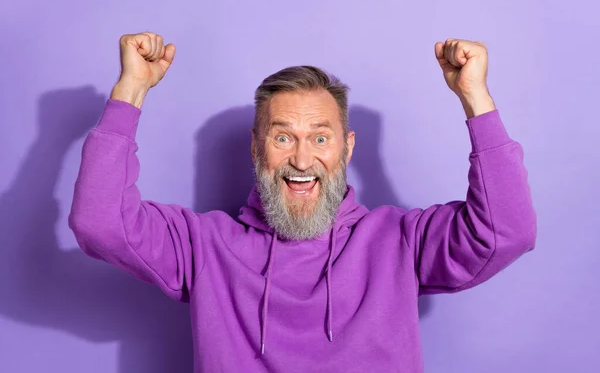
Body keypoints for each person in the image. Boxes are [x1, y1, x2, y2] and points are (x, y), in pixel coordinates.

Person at [68, 32, 536, 372]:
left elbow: (504, 232)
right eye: (282, 136)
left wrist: (474, 96)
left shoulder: (400, 241)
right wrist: (130, 90)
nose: (302, 158)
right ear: (256, 148)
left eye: (320, 137)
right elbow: (100, 222)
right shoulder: (203, 245)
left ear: (348, 147)